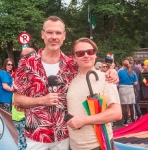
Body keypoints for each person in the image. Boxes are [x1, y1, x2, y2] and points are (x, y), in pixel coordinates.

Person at [13, 16, 119, 150]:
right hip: (37, 134)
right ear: (42, 35)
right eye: (50, 32)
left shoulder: (71, 64)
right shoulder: (27, 63)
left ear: (64, 36)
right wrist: (41, 100)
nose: (54, 36)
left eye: (58, 33)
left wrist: (111, 72)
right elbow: (17, 98)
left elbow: (88, 69)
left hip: (65, 135)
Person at [66, 37, 122, 150]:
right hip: (73, 146)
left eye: (90, 52)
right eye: (80, 53)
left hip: (99, 145)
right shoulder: (68, 80)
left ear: (95, 54)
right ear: (74, 58)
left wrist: (84, 120)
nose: (86, 55)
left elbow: (116, 113)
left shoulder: (106, 78)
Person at [118, 60, 138, 126]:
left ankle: (125, 121)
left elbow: (117, 81)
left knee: (124, 106)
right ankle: (133, 120)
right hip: (130, 89)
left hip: (122, 89)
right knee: (131, 105)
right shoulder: (132, 72)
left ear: (122, 65)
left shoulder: (119, 72)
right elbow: (135, 82)